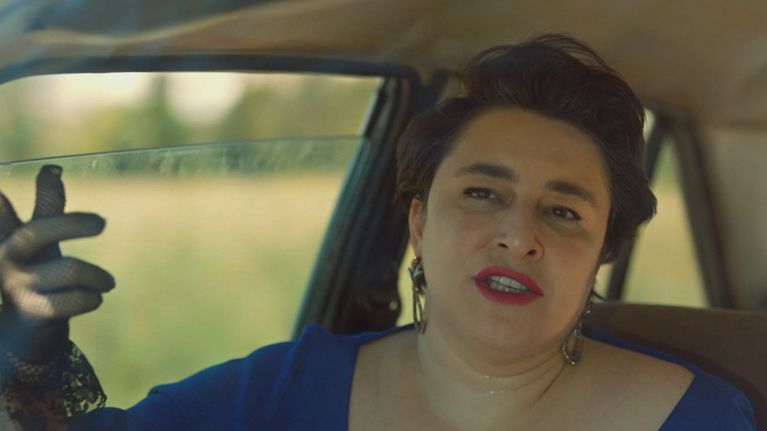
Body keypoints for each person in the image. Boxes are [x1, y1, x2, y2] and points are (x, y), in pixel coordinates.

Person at [0, 34, 756, 430]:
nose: (517, 236)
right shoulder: (285, 390)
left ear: (603, 253)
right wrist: (27, 363)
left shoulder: (703, 418)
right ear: (418, 222)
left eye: (563, 212)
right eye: (482, 193)